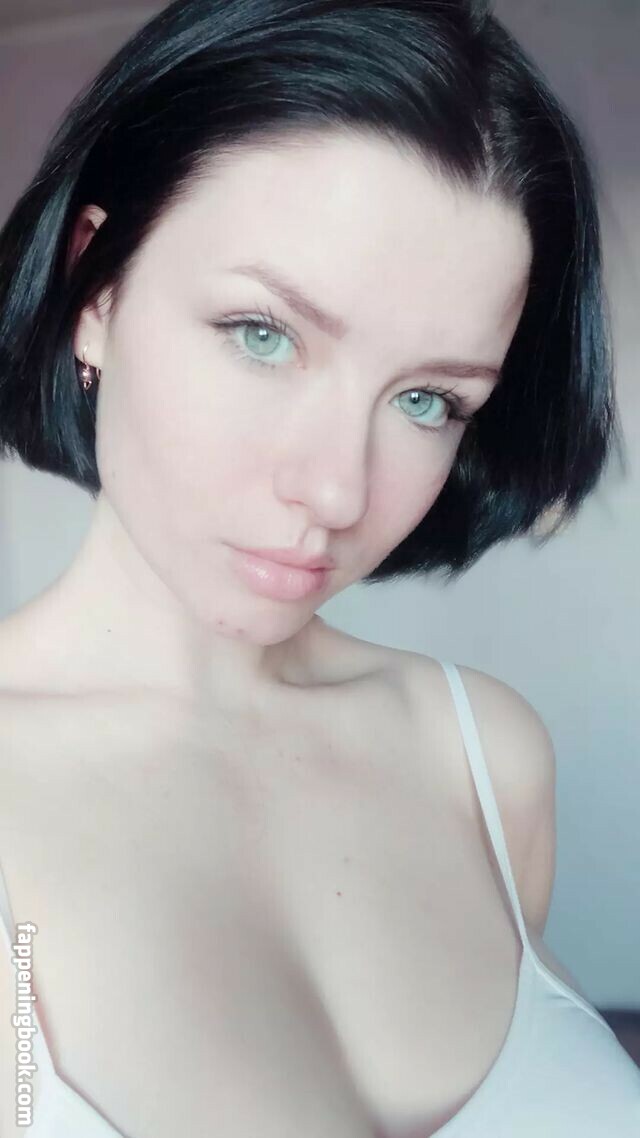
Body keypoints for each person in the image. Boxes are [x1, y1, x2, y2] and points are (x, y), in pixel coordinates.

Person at [0, 0, 638, 1135]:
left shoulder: (485, 761)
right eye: (263, 334)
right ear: (95, 286)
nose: (339, 491)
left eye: (427, 399)